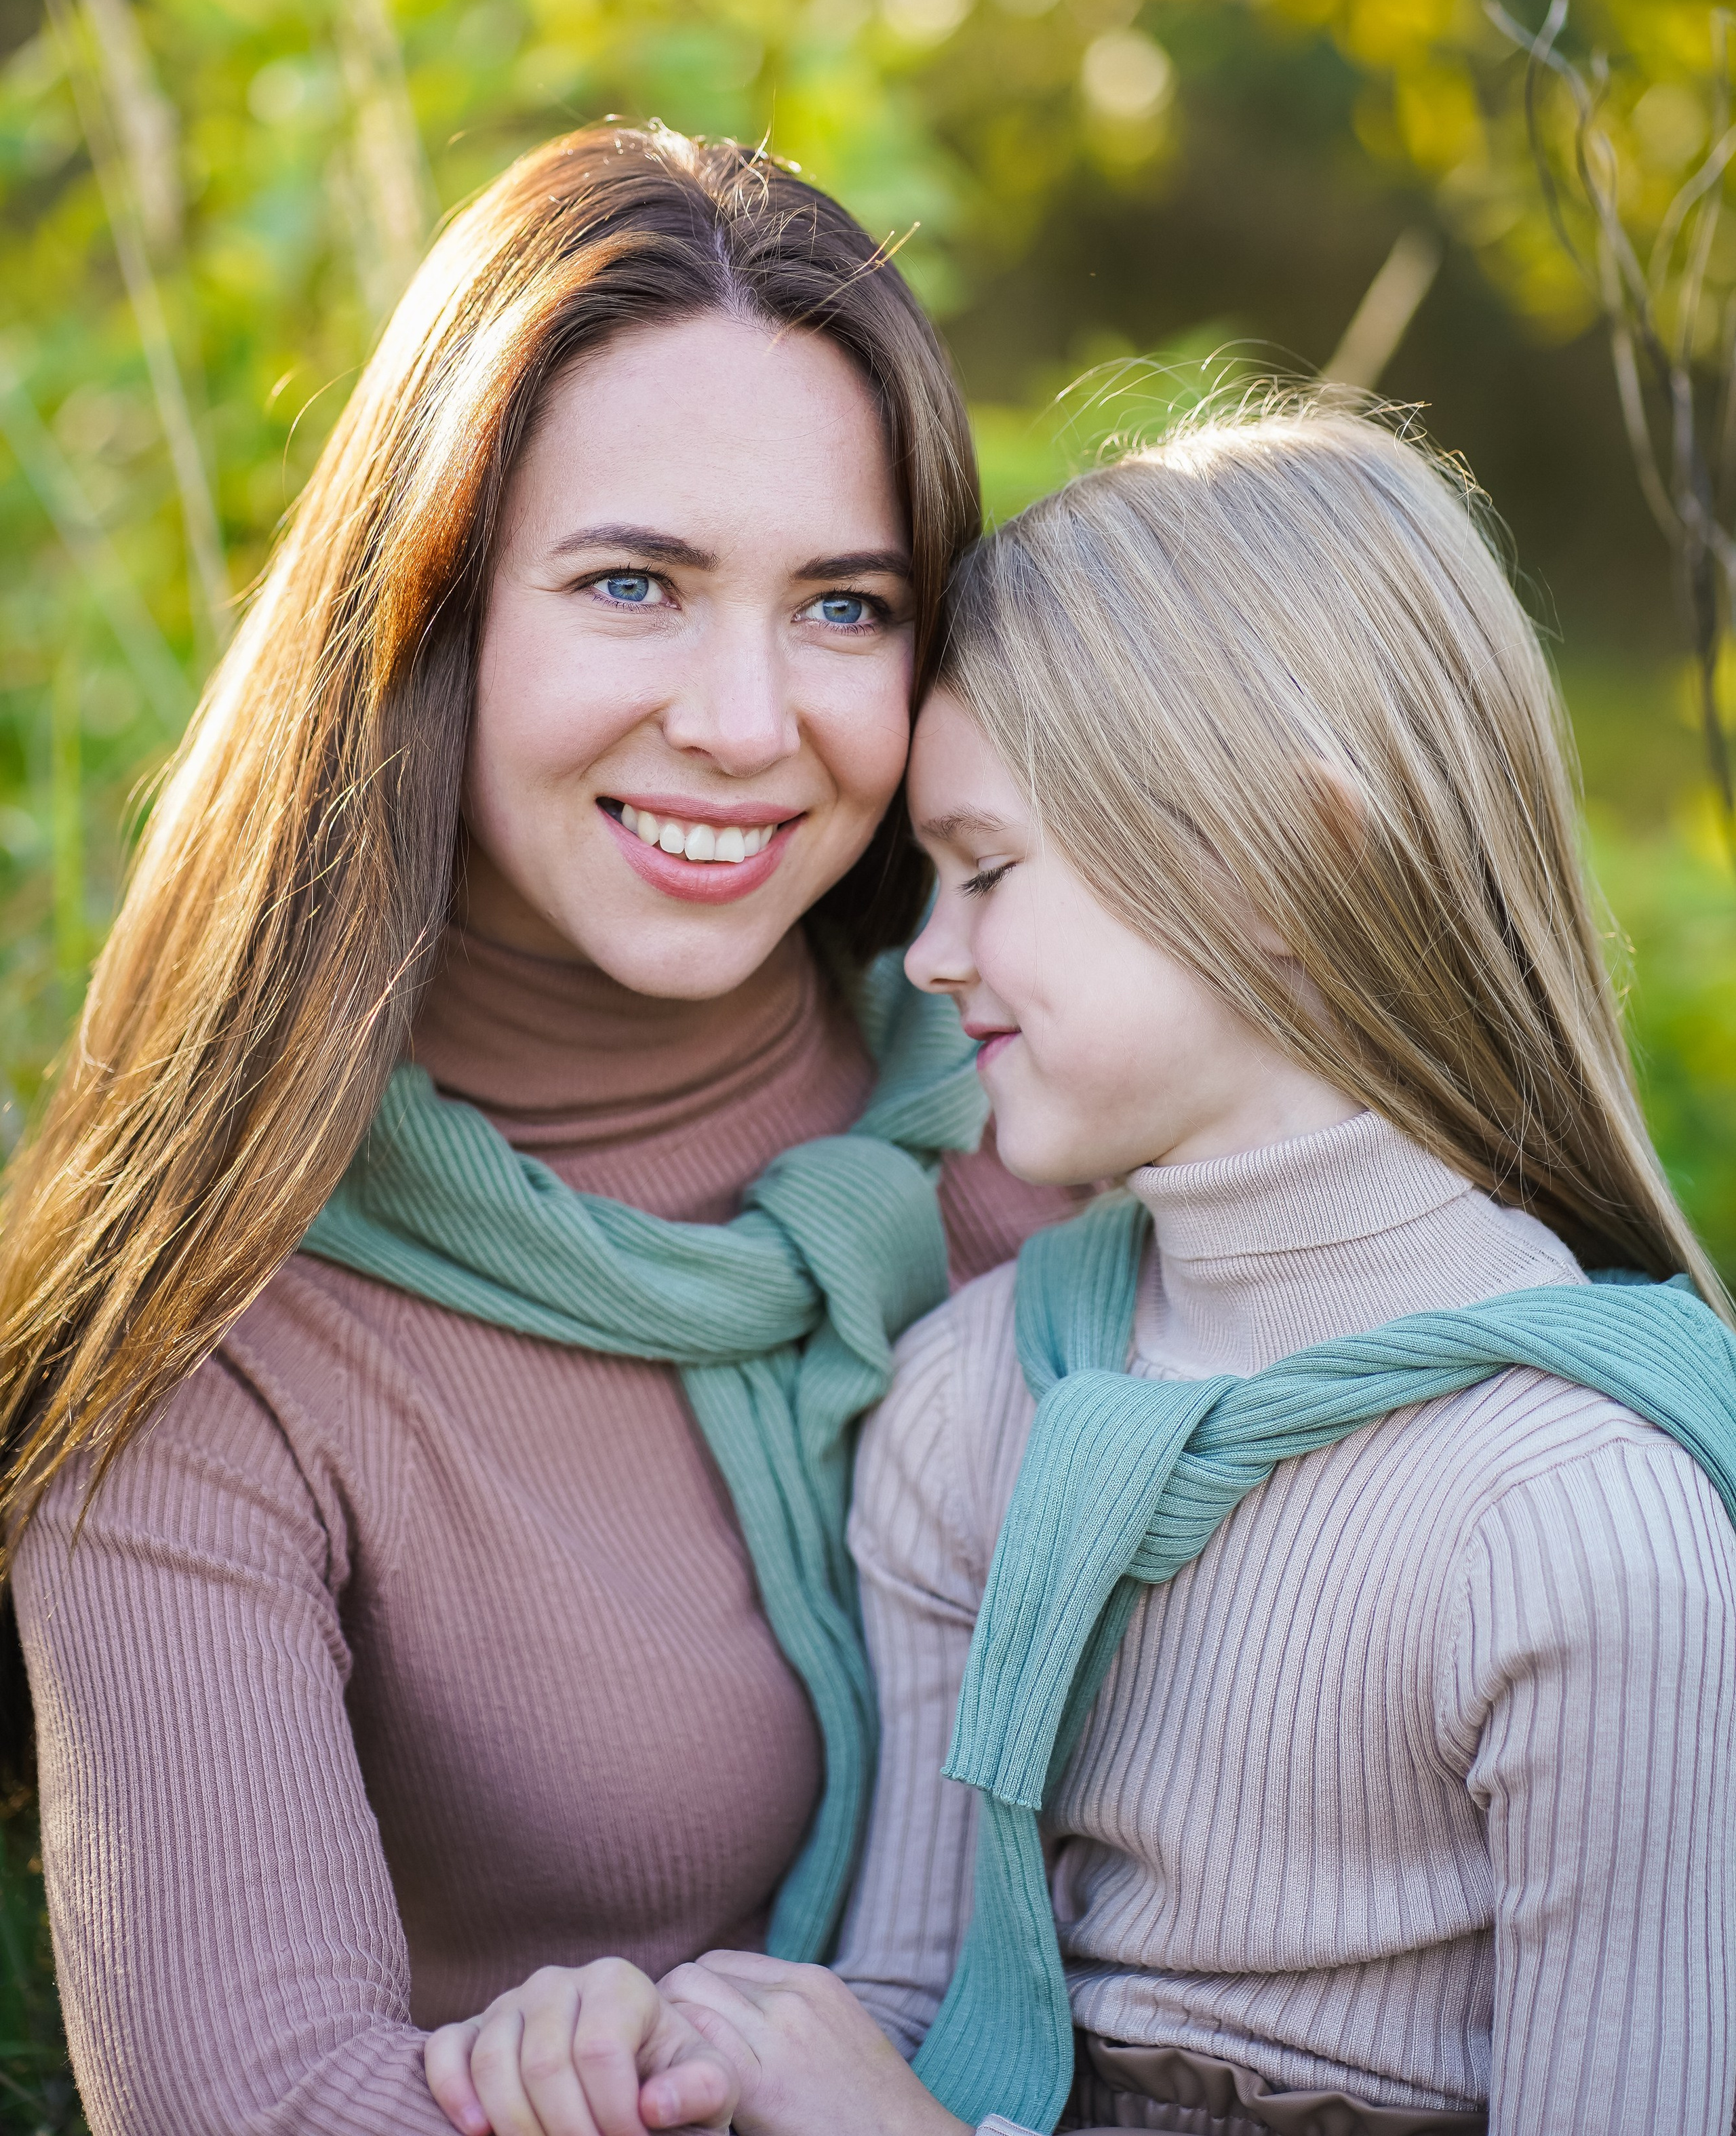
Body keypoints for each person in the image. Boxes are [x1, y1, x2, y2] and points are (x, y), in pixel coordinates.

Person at [437, 398, 1736, 2136]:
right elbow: (915, 2010)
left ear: (1288, 861)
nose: (929, 955)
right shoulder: (977, 1398)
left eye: (984, 871)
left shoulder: (1581, 1522)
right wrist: (684, 2057)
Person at [0, 124, 1069, 2136]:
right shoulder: (218, 1338)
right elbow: (272, 2109)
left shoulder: (1059, 1103)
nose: (749, 723)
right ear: (426, 617)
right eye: (635, 584)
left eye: (846, 607)